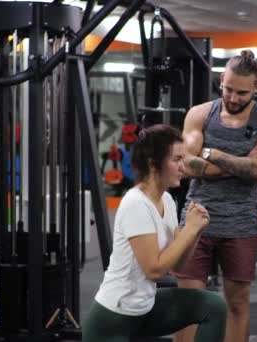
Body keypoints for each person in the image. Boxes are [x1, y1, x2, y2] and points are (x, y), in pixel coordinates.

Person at [173, 50, 257, 342]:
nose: (233, 98)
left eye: (242, 93)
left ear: (256, 88)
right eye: (229, 89)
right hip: (196, 221)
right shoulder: (199, 114)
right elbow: (185, 164)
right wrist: (242, 162)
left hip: (240, 225)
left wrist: (212, 153)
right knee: (189, 307)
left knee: (236, 305)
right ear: (222, 79)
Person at [81, 124, 227, 342]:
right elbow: (155, 270)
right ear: (152, 164)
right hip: (112, 321)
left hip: (145, 310)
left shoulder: (166, 200)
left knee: (213, 307)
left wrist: (195, 232)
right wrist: (190, 229)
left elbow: (178, 266)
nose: (183, 166)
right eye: (176, 160)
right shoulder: (135, 204)